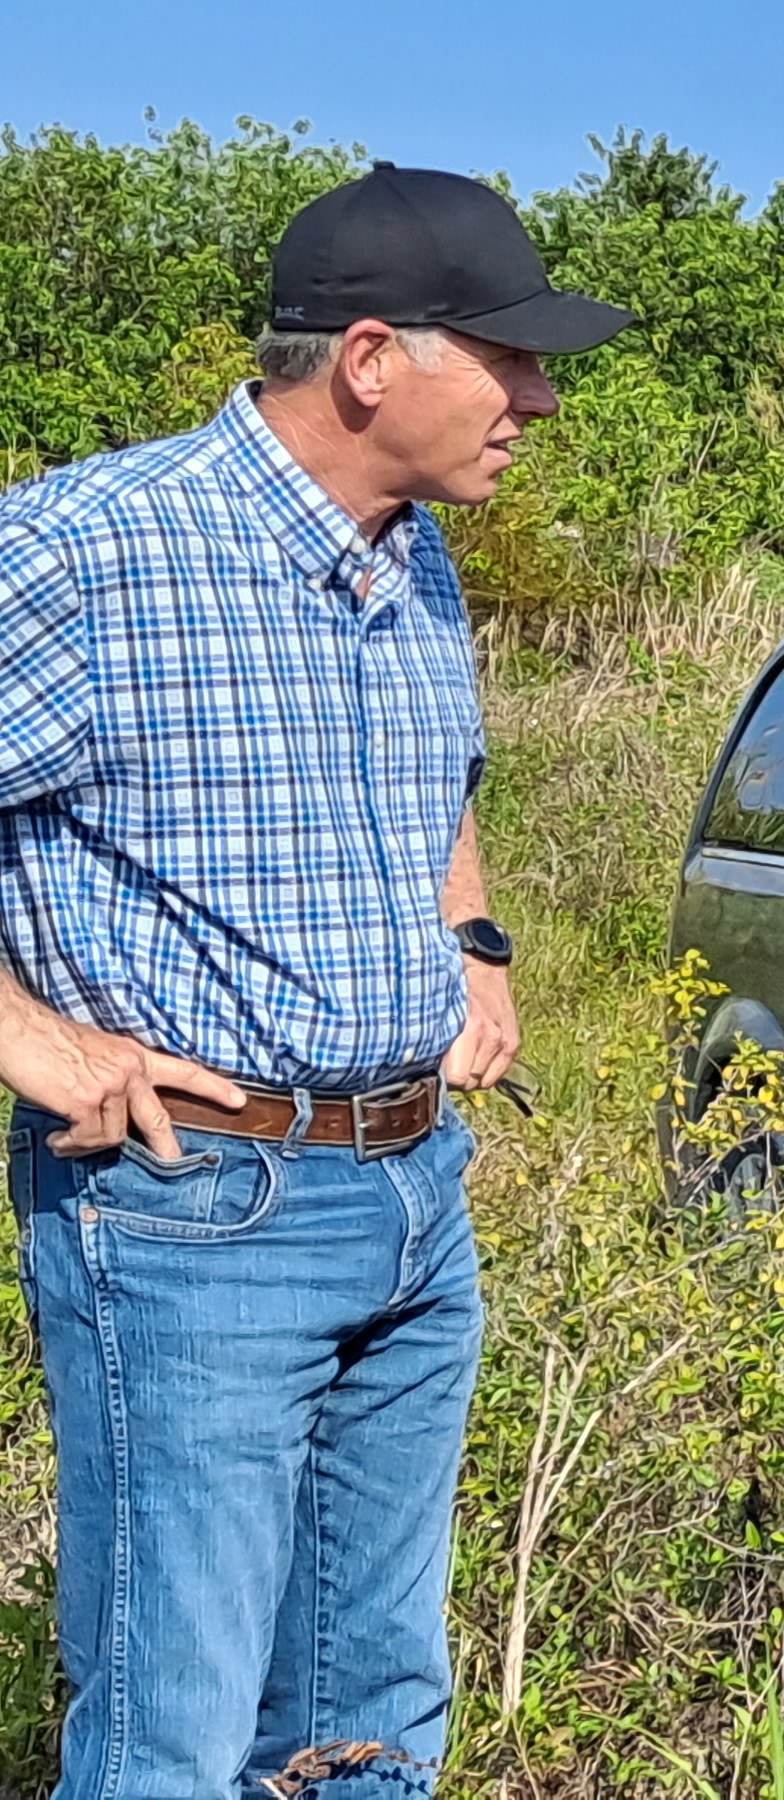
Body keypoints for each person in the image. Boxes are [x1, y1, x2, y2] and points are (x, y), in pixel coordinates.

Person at [0, 163, 628, 1798]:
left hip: (418, 1194)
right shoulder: (90, 554)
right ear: (373, 361)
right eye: (515, 360)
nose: (543, 402)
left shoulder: (411, 555)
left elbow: (444, 778)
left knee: (368, 1726)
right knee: (175, 1741)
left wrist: (471, 945)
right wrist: (35, 1043)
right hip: (195, 1214)